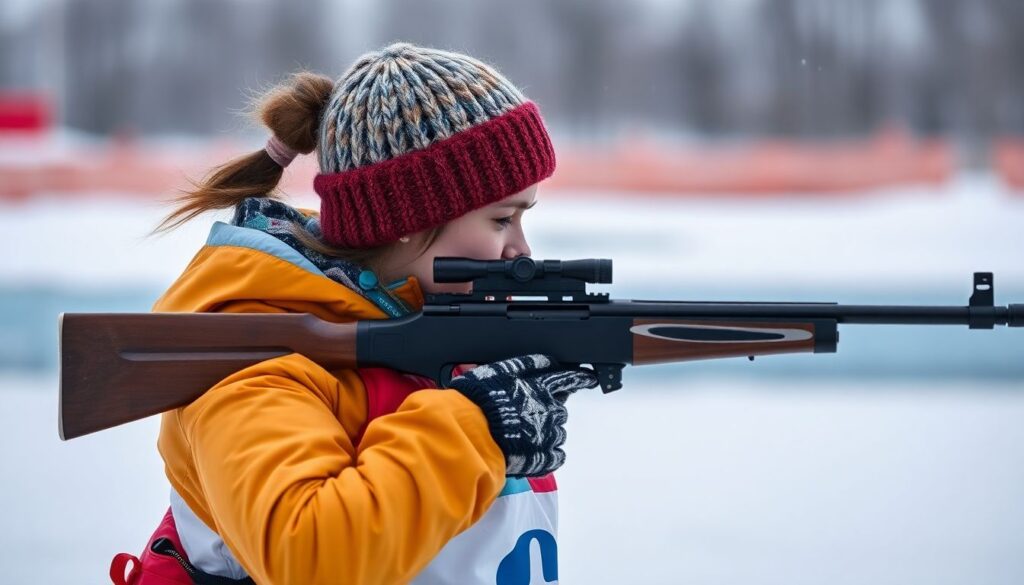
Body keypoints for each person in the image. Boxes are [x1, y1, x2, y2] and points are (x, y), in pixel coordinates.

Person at [109, 42, 598, 585]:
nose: (522, 250)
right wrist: (479, 425)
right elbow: (310, 557)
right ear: (409, 216)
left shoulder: (441, 336)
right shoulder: (253, 359)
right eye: (502, 220)